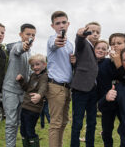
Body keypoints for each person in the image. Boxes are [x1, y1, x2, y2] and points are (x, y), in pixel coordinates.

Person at [2, 23, 36, 147]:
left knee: (23, 123)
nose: (30, 37)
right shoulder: (17, 46)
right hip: (11, 91)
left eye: (33, 35)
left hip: (23, 93)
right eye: (28, 34)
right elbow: (19, 49)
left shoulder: (30, 54)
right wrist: (24, 46)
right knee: (11, 123)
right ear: (21, 34)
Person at [70, 22, 101, 147]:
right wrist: (80, 35)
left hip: (93, 90)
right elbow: (79, 41)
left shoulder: (94, 48)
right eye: (91, 31)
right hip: (81, 89)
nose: (95, 34)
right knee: (78, 122)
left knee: (92, 122)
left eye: (97, 32)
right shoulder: (83, 45)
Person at [46, 11, 74, 147]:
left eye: (64, 22)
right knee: (56, 123)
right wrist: (58, 41)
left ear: (68, 24)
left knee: (63, 122)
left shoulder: (70, 44)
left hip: (67, 87)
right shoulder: (53, 39)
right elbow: (55, 43)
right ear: (53, 26)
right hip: (55, 87)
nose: (61, 25)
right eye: (58, 23)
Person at [97, 33, 125, 147]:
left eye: (119, 43)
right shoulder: (105, 63)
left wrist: (118, 62)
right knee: (106, 131)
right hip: (108, 102)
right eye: (112, 44)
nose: (115, 46)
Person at [16, 54, 48, 147]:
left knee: (30, 131)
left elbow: (43, 86)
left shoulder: (44, 76)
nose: (35, 67)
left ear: (44, 64)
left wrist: (39, 95)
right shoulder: (33, 75)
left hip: (33, 109)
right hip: (25, 106)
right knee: (23, 130)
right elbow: (28, 88)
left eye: (37, 64)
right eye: (33, 65)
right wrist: (21, 80)